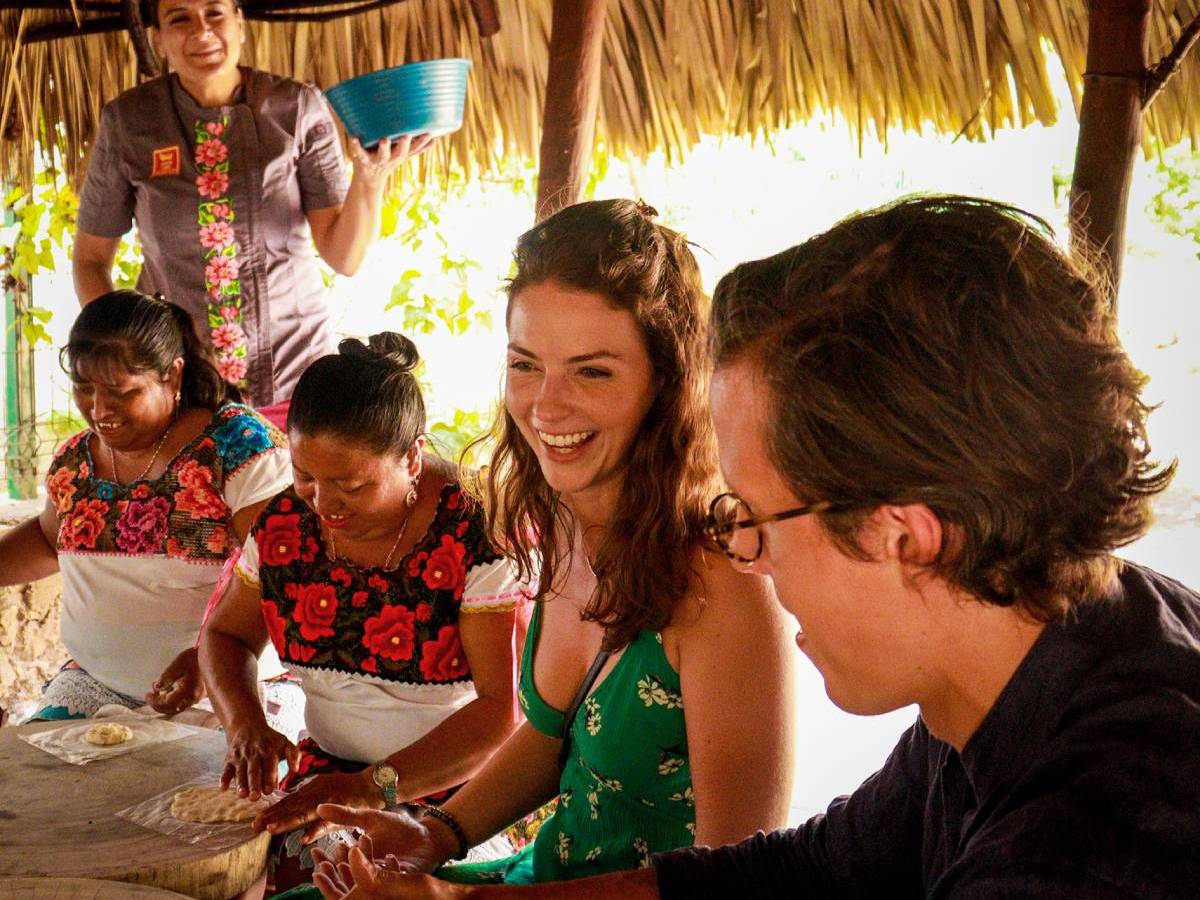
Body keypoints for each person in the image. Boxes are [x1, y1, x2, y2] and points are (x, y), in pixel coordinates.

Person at [312, 195, 1200, 900]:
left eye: (760, 517)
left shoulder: (1095, 847)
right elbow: (800, 870)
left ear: (907, 538)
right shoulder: (1033, 664)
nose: (748, 554)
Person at [302, 198, 797, 896]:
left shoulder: (721, 584)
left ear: (667, 384)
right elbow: (548, 738)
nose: (545, 406)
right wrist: (436, 834)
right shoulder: (566, 521)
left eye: (592, 372)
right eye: (526, 365)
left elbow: (735, 884)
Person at [200, 332, 529, 893]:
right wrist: (245, 723)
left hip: (457, 796)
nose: (323, 504)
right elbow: (225, 636)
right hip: (326, 777)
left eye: (350, 485)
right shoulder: (285, 522)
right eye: (305, 476)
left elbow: (500, 716)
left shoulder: (474, 531)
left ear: (413, 457)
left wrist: (369, 788)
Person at [72, 0, 432, 409]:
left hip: (297, 373)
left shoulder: (296, 108)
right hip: (180, 386)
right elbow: (90, 259)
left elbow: (344, 257)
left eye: (215, 13)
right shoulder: (129, 121)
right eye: (180, 18)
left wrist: (371, 177)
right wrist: (128, 354)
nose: (201, 30)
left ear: (239, 22)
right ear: (158, 38)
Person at [0, 289, 290, 720]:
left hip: (226, 692)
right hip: (94, 685)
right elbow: (47, 541)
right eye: (84, 389)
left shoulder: (237, 447)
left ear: (173, 377)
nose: (99, 410)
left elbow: (280, 574)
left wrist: (214, 659)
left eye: (120, 391)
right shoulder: (75, 459)